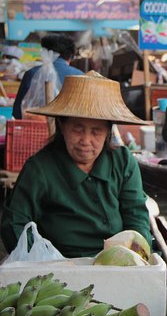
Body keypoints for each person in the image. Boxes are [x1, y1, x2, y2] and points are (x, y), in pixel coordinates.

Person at [0, 71, 151, 258]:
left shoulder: (123, 162)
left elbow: (136, 215)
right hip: (57, 266)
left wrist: (135, 256)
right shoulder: (40, 168)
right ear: (62, 127)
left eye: (96, 132)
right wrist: (40, 259)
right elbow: (14, 223)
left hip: (114, 263)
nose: (86, 140)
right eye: (78, 129)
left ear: (108, 132)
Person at [13, 33, 84, 119]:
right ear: (70, 56)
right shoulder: (80, 76)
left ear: (44, 52)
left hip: (34, 128)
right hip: (69, 129)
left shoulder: (31, 73)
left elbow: (17, 112)